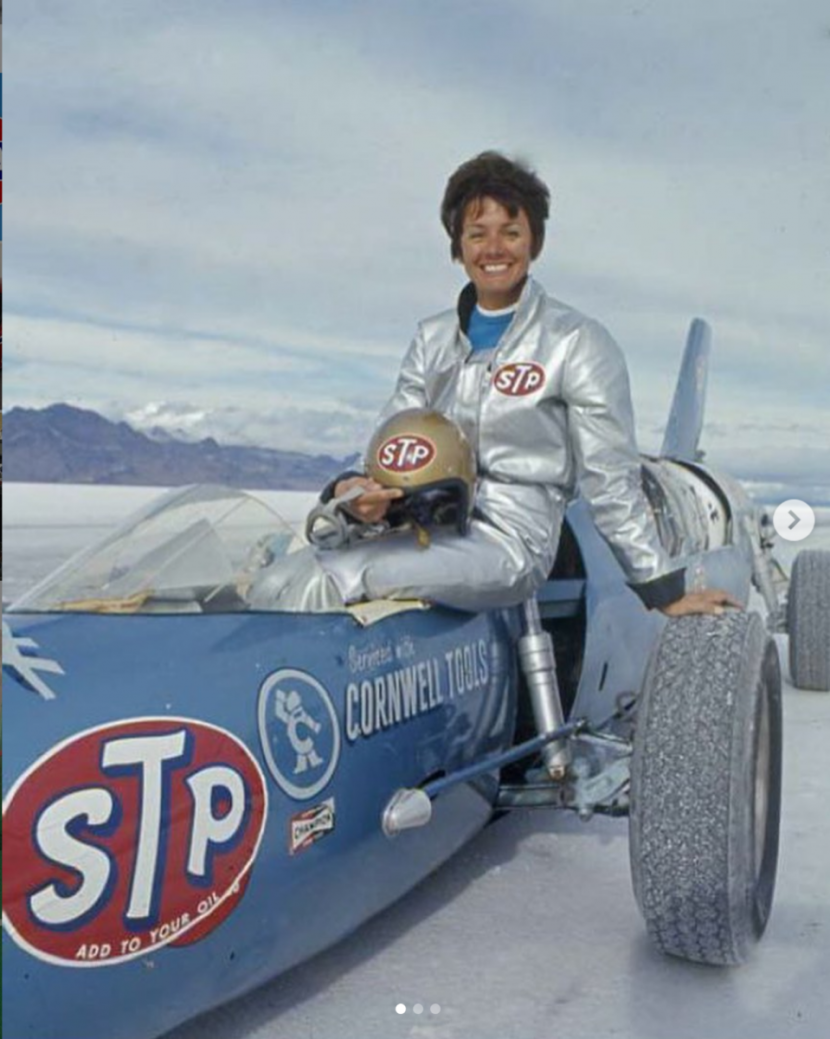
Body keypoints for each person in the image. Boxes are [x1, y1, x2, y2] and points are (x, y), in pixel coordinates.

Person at [253, 151, 737, 617]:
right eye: (477, 233)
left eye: (511, 232)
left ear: (534, 242)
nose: (494, 249)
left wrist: (661, 588)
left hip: (513, 536)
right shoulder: (432, 339)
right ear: (458, 246)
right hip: (424, 525)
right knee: (275, 582)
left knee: (329, 580)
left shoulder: (576, 341)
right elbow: (389, 447)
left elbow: (609, 481)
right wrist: (353, 491)